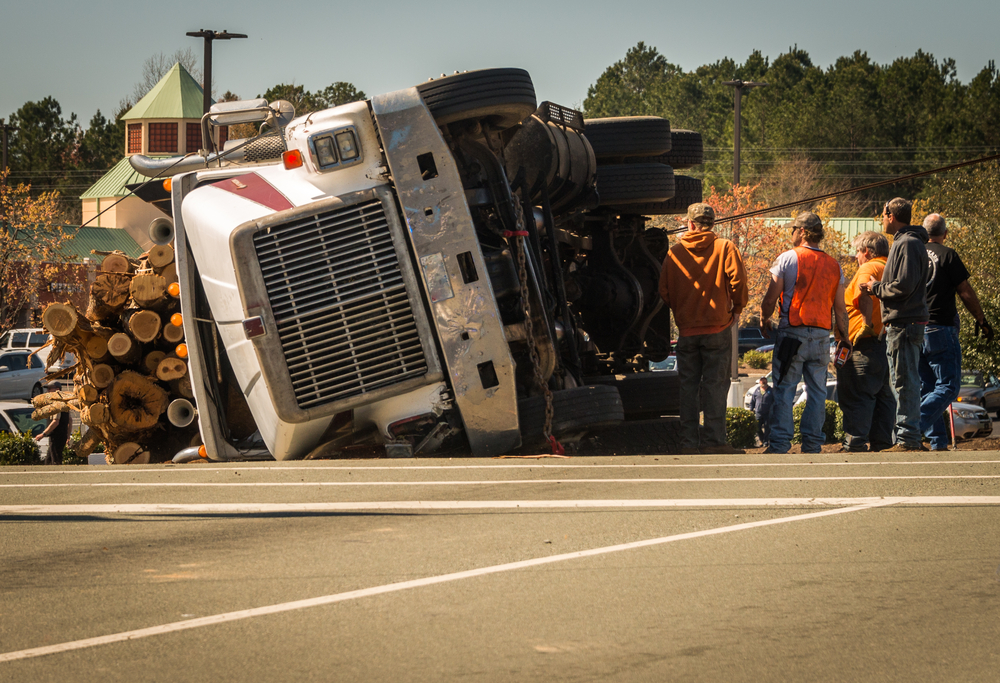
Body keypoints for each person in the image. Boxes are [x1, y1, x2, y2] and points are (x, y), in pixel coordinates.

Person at [659, 203, 748, 455]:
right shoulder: (725, 247)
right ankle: (713, 440)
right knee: (715, 385)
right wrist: (737, 308)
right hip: (718, 328)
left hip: (687, 332)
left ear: (689, 224)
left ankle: (688, 442)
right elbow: (738, 281)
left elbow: (663, 291)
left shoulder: (674, 253)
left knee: (688, 387)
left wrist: (682, 312)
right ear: (712, 223)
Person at [760, 212, 851, 454]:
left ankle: (779, 444)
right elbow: (841, 309)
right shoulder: (834, 265)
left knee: (785, 389)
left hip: (792, 334)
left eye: (792, 230)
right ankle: (812, 444)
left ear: (801, 231)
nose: (791, 234)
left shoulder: (787, 259)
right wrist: (845, 337)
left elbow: (771, 298)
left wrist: (763, 317)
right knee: (818, 392)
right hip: (821, 336)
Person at [859, 198, 929, 452]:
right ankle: (908, 436)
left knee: (904, 381)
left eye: (883, 213)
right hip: (903, 322)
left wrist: (874, 288)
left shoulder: (908, 243)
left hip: (905, 323)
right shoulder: (905, 242)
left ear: (891, 216)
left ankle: (908, 438)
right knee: (902, 380)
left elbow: (904, 285)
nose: (881, 217)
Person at [918, 213, 993, 451]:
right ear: (945, 234)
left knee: (928, 388)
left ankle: (937, 441)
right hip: (941, 327)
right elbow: (965, 291)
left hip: (916, 328)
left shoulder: (914, 254)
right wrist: (981, 319)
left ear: (924, 232)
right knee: (949, 387)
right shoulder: (948, 254)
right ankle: (911, 426)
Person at [837, 231, 895, 452]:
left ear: (867, 252)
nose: (856, 258)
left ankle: (855, 442)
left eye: (857, 253)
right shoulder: (892, 268)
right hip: (884, 344)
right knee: (883, 397)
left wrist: (865, 324)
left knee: (856, 394)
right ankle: (882, 443)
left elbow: (864, 292)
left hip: (864, 344)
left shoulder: (869, 268)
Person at [35, 382, 71, 465]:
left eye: (50, 388)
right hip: (62, 435)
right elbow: (70, 420)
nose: (47, 391)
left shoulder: (56, 403)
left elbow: (56, 422)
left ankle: (58, 476)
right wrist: (68, 436)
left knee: (56, 460)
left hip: (56, 436)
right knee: (48, 461)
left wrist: (43, 434)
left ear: (57, 390)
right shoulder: (64, 402)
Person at [748, 376, 774, 447]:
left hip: (767, 413)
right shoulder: (757, 390)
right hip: (758, 413)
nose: (763, 382)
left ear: (767, 381)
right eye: (762, 381)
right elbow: (752, 401)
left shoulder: (771, 390)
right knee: (757, 428)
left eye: (764, 380)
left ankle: (766, 442)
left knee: (767, 428)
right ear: (760, 382)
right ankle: (761, 440)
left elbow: (774, 401)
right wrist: (751, 409)